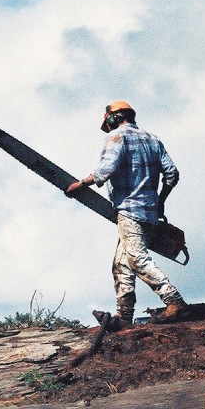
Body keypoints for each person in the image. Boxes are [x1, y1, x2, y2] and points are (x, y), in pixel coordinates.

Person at [66, 101, 188, 326]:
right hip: (150, 214)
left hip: (129, 211)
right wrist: (160, 201)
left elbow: (105, 169)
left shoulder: (116, 137)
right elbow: (172, 174)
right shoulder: (153, 140)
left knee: (137, 258)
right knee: (121, 264)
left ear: (113, 118)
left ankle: (174, 300)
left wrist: (81, 184)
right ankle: (124, 317)